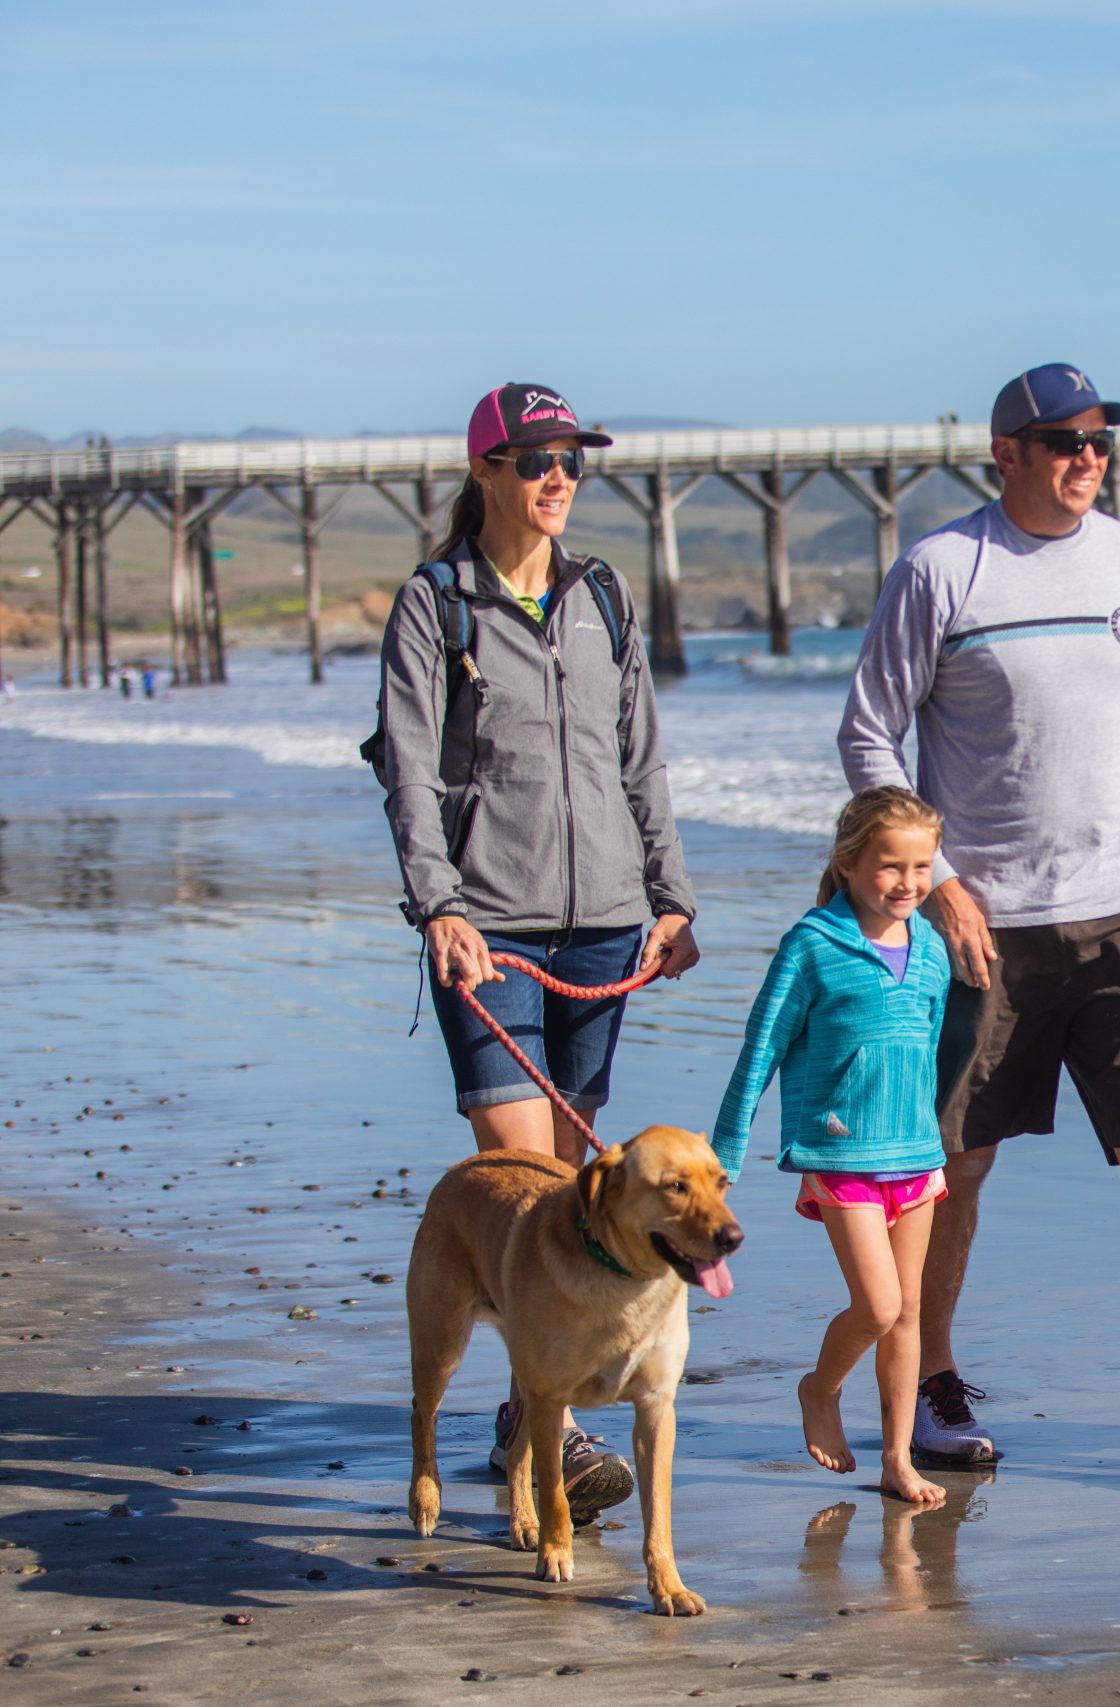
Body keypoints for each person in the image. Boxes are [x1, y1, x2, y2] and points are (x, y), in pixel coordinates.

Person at [838, 361, 1120, 1486]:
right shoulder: (944, 570)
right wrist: (932, 880)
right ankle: (933, 1383)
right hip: (979, 928)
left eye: (1099, 442)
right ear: (1007, 455)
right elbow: (867, 737)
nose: (1085, 457)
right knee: (955, 1166)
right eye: (1060, 440)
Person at [370, 381, 702, 1523]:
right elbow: (410, 768)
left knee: (585, 1183)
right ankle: (544, 1432)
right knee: (526, 1182)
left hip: (608, 916)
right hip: (489, 922)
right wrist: (437, 906)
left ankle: (537, 1419)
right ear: (486, 474)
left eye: (571, 461)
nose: (558, 479)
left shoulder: (600, 593)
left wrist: (671, 896)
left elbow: (641, 759)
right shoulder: (435, 606)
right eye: (536, 461)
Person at [711, 787, 954, 1507]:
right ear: (848, 863)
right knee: (877, 1306)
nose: (908, 882)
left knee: (908, 1312)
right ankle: (820, 1387)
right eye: (890, 865)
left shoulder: (932, 948)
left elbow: (929, 1047)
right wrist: (725, 1149)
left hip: (916, 1154)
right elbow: (762, 1046)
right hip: (840, 1152)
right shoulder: (813, 942)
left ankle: (899, 1459)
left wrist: (935, 1136)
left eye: (921, 865)